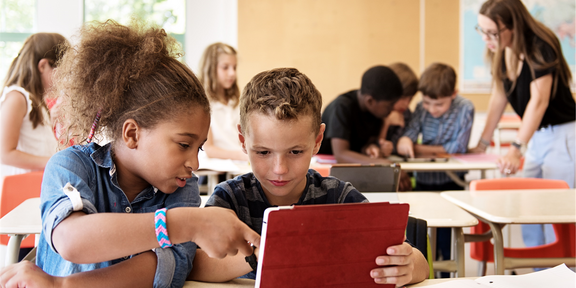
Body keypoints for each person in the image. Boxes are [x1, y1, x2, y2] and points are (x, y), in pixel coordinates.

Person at [0, 20, 260, 288]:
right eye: (184, 145)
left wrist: (63, 284)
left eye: (200, 148)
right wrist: (187, 223)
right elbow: (72, 240)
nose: (194, 163)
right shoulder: (71, 165)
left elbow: (164, 267)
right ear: (132, 134)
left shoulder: (183, 189)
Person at [193, 68, 429, 286]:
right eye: (263, 152)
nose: (280, 169)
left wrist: (409, 266)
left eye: (295, 152)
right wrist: (263, 253)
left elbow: (419, 263)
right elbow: (194, 265)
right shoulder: (229, 199)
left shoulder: (338, 197)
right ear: (244, 141)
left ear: (317, 141)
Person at [470, 0, 575, 253]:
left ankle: (566, 276)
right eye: (481, 31)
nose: (486, 39)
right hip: (536, 137)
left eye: (492, 33)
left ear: (513, 26)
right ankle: (540, 276)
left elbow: (539, 101)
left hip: (564, 135)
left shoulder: (541, 44)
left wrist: (517, 148)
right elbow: (499, 96)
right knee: (528, 210)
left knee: (557, 216)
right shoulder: (501, 49)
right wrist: (481, 144)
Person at [396, 63, 474, 272]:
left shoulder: (465, 108)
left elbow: (457, 148)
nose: (432, 109)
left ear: (454, 94)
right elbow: (407, 139)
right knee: (422, 234)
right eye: (428, 102)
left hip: (452, 184)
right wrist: (408, 141)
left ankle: (447, 278)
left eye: (438, 104)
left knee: (448, 239)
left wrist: (419, 148)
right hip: (423, 182)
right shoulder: (421, 108)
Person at [318, 65, 412, 190]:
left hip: (354, 173)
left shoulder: (377, 112)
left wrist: (371, 148)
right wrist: (385, 165)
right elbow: (341, 154)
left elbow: (366, 144)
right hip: (326, 175)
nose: (393, 109)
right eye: (389, 105)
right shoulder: (342, 107)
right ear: (370, 101)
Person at [0, 33, 67, 178]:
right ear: (43, 66)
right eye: (61, 73)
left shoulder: (38, 102)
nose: (62, 81)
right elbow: (5, 154)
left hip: (37, 182)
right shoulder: (17, 97)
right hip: (20, 187)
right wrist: (55, 161)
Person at [198, 42, 247, 161]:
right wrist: (243, 156)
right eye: (225, 67)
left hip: (239, 167)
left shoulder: (235, 102)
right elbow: (208, 149)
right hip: (216, 172)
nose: (232, 73)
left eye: (234, 67)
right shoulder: (202, 104)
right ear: (210, 69)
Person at [365, 62, 419, 158]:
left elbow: (399, 148)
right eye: (402, 98)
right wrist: (386, 124)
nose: (406, 104)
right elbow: (371, 148)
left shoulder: (406, 114)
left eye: (410, 99)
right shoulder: (374, 111)